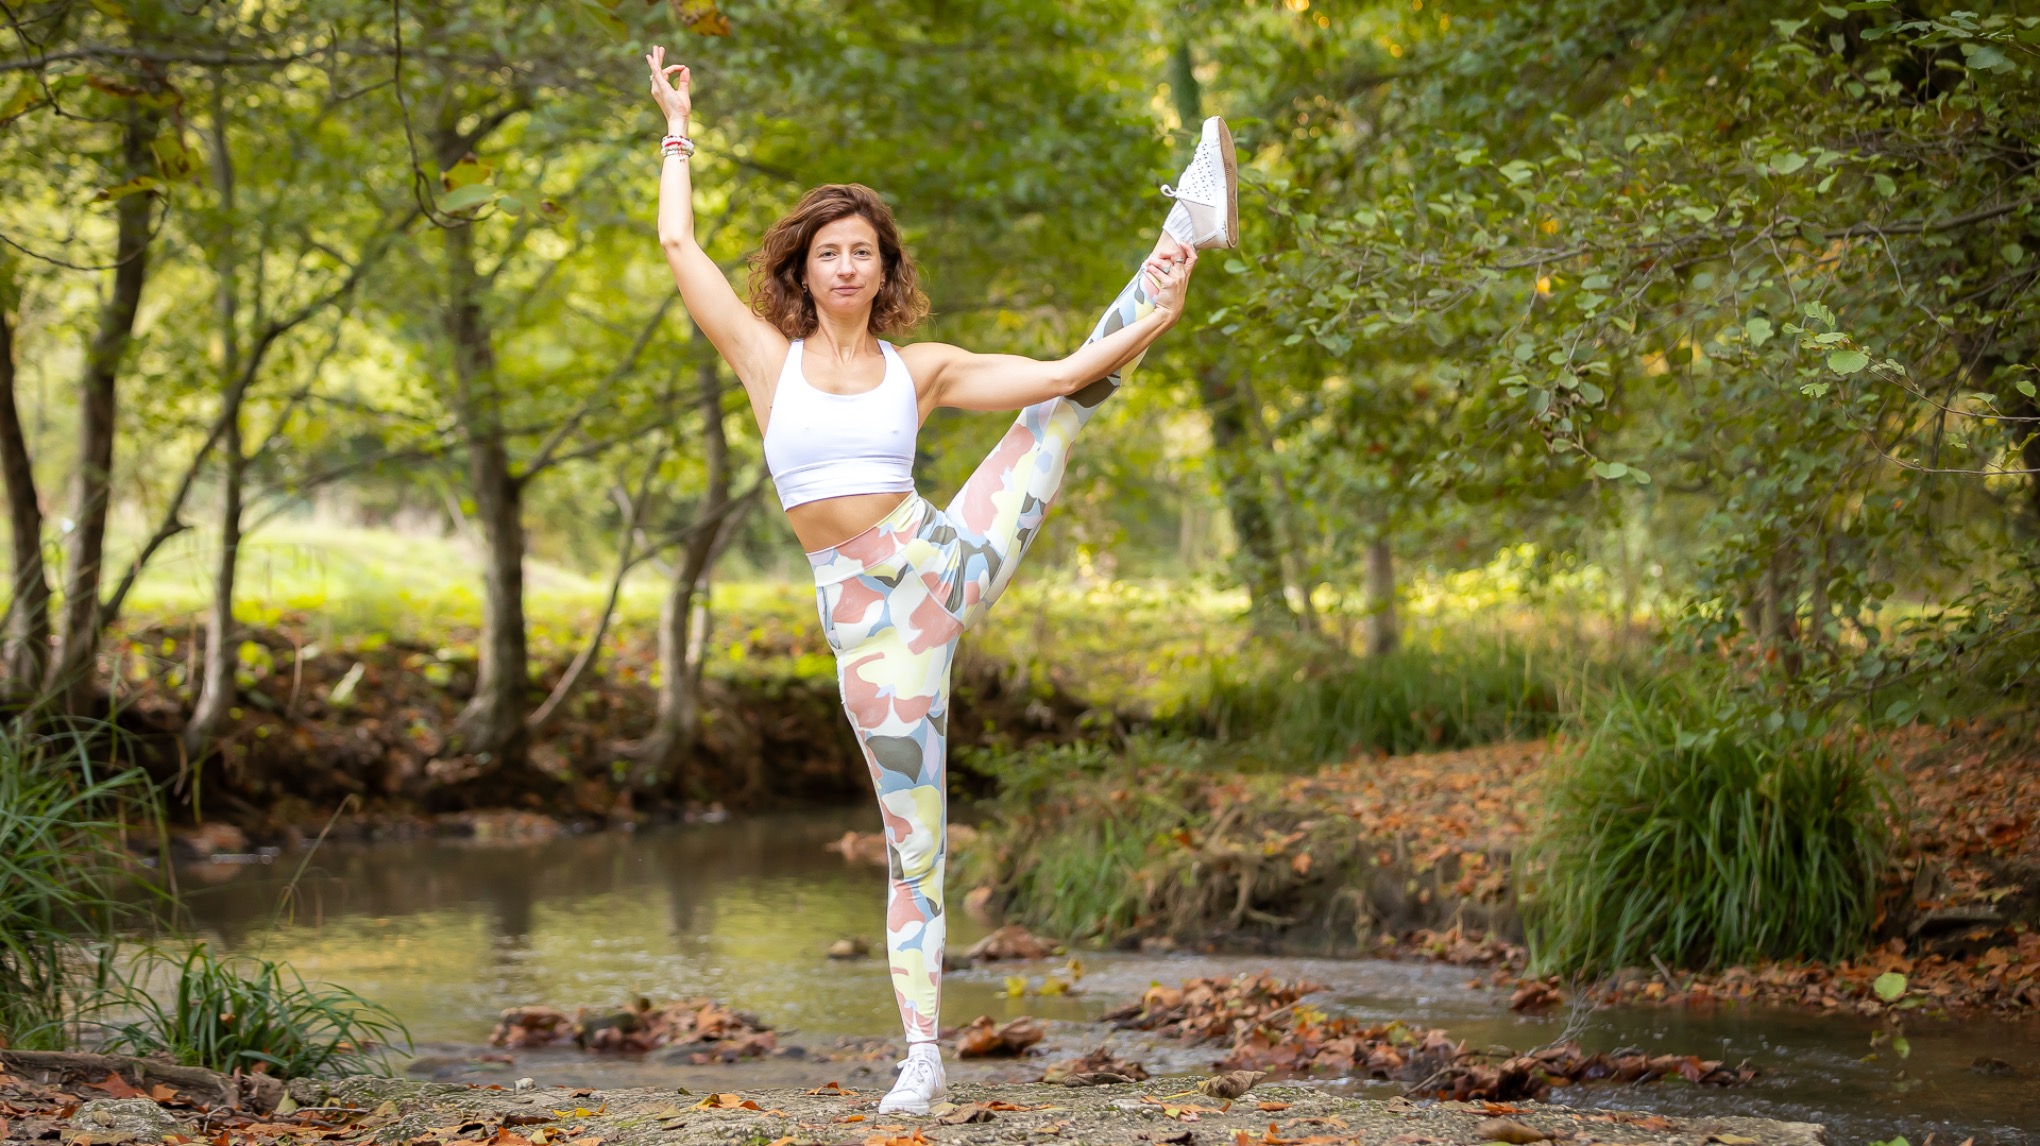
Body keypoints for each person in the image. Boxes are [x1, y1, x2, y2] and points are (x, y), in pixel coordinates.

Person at [643, 44, 1238, 1115]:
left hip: (947, 566)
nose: (846, 267)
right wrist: (677, 130)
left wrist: (1159, 314)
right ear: (801, 269)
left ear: (885, 270)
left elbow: (1065, 372)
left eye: (863, 252)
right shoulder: (765, 361)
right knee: (910, 846)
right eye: (829, 252)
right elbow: (677, 243)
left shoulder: (919, 370)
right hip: (874, 639)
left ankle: (1182, 232)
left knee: (1052, 414)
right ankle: (922, 1055)